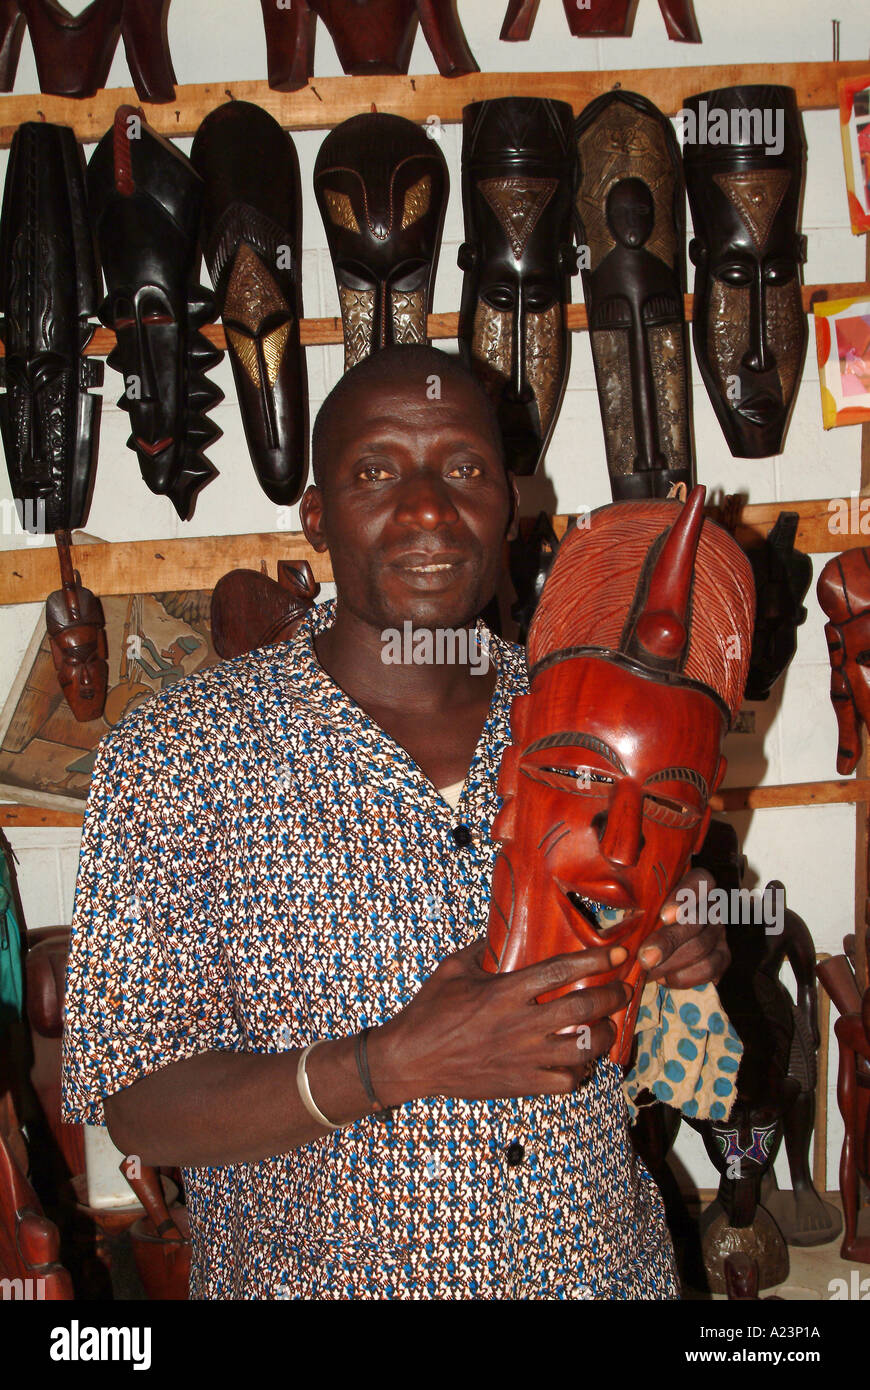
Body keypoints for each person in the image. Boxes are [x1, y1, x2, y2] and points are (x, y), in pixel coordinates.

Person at [62, 345, 728, 1300]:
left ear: (509, 505)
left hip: (602, 1276)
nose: (427, 507)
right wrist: (395, 1064)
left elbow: (654, 1040)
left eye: (465, 468)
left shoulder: (599, 726)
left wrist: (687, 936)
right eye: (376, 469)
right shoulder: (179, 758)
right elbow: (140, 1107)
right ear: (318, 516)